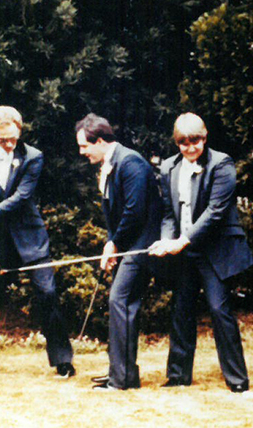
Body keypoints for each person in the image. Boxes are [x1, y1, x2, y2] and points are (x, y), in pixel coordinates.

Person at [0, 106, 74, 378]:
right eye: (3, 140)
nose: (9, 144)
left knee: (47, 293)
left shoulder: (33, 157)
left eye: (13, 138)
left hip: (29, 239)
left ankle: (62, 360)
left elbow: (21, 198)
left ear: (20, 132)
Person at [148, 113, 253, 394]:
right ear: (177, 143)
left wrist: (182, 241)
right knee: (181, 310)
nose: (190, 148)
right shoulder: (169, 167)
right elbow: (169, 213)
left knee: (220, 310)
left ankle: (237, 381)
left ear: (205, 138)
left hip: (213, 251)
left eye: (195, 141)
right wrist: (165, 241)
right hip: (184, 253)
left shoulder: (221, 164)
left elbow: (215, 212)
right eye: (183, 143)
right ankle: (178, 376)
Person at [75, 113, 161, 390]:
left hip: (143, 245)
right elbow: (115, 214)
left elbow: (134, 212)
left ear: (99, 141)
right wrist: (112, 245)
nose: (82, 152)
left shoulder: (130, 162)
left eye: (84, 146)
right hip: (129, 246)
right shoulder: (111, 163)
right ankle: (122, 373)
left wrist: (114, 244)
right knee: (122, 303)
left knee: (119, 301)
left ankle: (121, 379)